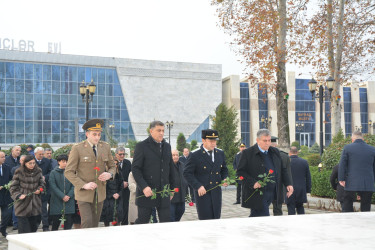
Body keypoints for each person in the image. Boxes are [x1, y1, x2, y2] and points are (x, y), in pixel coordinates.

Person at [65, 119, 116, 228]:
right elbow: (68, 172)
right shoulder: (77, 148)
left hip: (100, 192)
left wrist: (110, 174)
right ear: (87, 134)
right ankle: (84, 243)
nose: (97, 137)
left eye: (99, 134)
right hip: (84, 193)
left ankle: (93, 244)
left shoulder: (105, 147)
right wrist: (83, 185)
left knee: (95, 223)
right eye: (94, 134)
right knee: (87, 222)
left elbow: (112, 166)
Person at [237, 129, 293, 217]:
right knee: (263, 216)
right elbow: (240, 172)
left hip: (273, 191)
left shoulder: (275, 152)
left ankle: (249, 229)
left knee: (257, 216)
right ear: (258, 140)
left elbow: (282, 169)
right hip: (257, 193)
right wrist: (253, 182)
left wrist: (289, 184)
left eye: (269, 140)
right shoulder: (248, 153)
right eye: (265, 141)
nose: (267, 143)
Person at [131, 120, 177, 224]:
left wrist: (172, 189)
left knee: (166, 221)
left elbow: (171, 168)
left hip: (163, 192)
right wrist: (143, 187)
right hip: (147, 191)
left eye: (163, 130)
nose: (161, 133)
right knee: (143, 221)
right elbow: (135, 169)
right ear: (151, 131)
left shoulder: (167, 146)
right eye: (158, 130)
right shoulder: (141, 146)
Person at [183, 129, 229, 220]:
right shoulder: (195, 154)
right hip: (203, 193)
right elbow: (187, 173)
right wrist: (198, 186)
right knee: (205, 220)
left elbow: (224, 169)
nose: (213, 143)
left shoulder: (220, 153)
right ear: (203, 140)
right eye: (211, 141)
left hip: (216, 192)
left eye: (215, 141)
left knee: (216, 218)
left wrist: (224, 178)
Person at [338, 131, 375, 212]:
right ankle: (364, 222)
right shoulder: (372, 149)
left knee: (347, 203)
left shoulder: (347, 148)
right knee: (366, 205)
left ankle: (349, 221)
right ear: (363, 139)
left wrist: (341, 178)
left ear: (352, 139)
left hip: (351, 182)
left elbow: (342, 164)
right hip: (367, 183)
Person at [10, 155, 45, 234]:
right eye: (30, 163)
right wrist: (18, 195)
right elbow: (13, 187)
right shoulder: (19, 171)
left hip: (35, 205)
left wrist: (40, 190)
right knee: (24, 232)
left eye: (33, 163)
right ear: (25, 163)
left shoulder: (38, 171)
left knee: (33, 229)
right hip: (23, 205)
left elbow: (42, 184)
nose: (32, 165)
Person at [49, 154, 75, 230]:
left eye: (67, 162)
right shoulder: (53, 173)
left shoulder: (71, 172)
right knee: (55, 224)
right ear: (58, 162)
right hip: (57, 201)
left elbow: (74, 185)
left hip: (69, 201)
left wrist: (69, 195)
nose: (65, 164)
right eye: (63, 162)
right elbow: (53, 186)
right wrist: (62, 196)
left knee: (68, 225)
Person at [270, 136, 293, 216]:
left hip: (267, 186)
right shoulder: (284, 156)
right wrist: (289, 185)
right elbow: (288, 173)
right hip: (280, 186)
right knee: (278, 208)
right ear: (275, 144)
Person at [285, 147, 311, 215]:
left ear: (289, 152)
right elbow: (308, 177)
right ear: (297, 152)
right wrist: (308, 190)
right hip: (301, 190)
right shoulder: (304, 162)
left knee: (291, 208)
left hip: (289, 189)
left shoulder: (286, 162)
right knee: (300, 207)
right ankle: (302, 223)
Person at [34, 147, 53, 231]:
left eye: (42, 154)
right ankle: (35, 225)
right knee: (35, 209)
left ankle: (45, 226)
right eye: (39, 154)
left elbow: (50, 172)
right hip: (34, 188)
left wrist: (45, 177)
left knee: (44, 209)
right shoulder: (31, 161)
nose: (41, 156)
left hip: (45, 188)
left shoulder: (47, 161)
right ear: (35, 154)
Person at [101, 159, 122, 226]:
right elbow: (103, 187)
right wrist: (110, 195)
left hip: (116, 198)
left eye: (116, 164)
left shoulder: (119, 174)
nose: (115, 166)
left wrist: (118, 194)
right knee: (106, 218)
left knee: (117, 217)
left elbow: (121, 186)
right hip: (107, 199)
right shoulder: (105, 174)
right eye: (114, 164)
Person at [115, 147, 132, 225]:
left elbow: (131, 175)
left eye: (123, 154)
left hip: (126, 190)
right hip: (116, 190)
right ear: (116, 154)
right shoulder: (112, 163)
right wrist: (121, 184)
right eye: (120, 154)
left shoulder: (128, 163)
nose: (122, 156)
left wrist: (127, 183)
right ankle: (116, 224)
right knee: (116, 208)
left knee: (126, 208)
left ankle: (125, 225)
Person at [170, 149, 188, 222]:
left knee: (181, 211)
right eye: (173, 155)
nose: (175, 157)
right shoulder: (167, 166)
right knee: (172, 215)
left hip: (181, 195)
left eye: (177, 155)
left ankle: (176, 224)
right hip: (172, 197)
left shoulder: (182, 165)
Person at [0, 152, 13, 237]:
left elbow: (11, 179)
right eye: (2, 157)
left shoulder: (7, 167)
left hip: (6, 195)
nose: (4, 158)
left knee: (7, 214)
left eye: (4, 157)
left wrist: (8, 185)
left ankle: (3, 229)